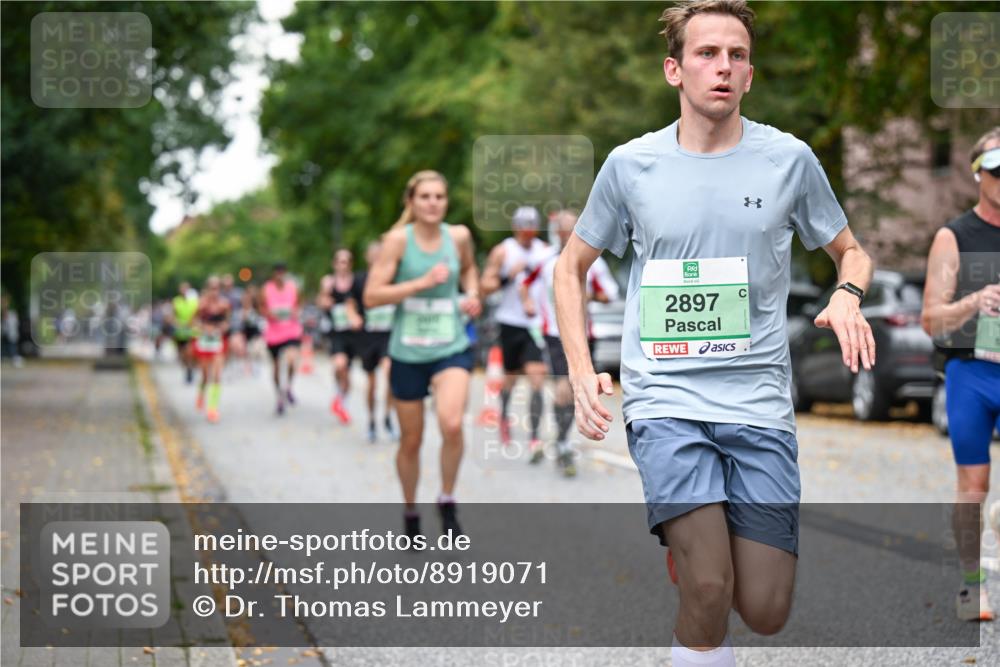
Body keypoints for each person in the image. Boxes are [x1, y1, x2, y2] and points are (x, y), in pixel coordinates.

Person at [554, 2, 876, 663]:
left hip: (758, 403)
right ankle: (697, 566)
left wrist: (848, 294)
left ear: (750, 74)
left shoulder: (788, 160)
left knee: (764, 609)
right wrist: (581, 370)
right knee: (708, 586)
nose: (722, 67)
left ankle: (702, 556)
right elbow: (570, 267)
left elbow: (853, 251)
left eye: (736, 55)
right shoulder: (630, 165)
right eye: (706, 54)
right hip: (666, 401)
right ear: (674, 69)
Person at [363, 170, 481, 540]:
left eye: (439, 197)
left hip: (450, 345)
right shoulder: (397, 241)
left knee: (451, 423)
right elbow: (372, 296)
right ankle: (411, 510)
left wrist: (473, 294)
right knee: (411, 440)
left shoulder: (458, 236)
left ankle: (446, 499)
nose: (433, 203)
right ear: (412, 202)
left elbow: (471, 270)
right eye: (425, 197)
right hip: (408, 352)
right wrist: (420, 283)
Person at [921, 127, 1000, 622]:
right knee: (973, 484)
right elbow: (931, 317)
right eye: (997, 170)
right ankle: (973, 588)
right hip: (972, 371)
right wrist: (974, 301)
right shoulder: (955, 236)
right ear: (978, 175)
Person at [521, 210, 617, 477]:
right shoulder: (544, 259)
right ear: (555, 231)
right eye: (562, 228)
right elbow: (524, 284)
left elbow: (609, 294)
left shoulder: (593, 262)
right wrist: (528, 302)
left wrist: (589, 296)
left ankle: (562, 439)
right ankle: (558, 442)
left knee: (578, 393)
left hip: (585, 335)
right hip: (553, 334)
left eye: (571, 227)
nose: (566, 232)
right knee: (563, 388)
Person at [481, 205, 552, 461]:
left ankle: (535, 436)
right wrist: (506, 277)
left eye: (531, 229)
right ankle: (504, 416)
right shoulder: (503, 251)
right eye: (522, 229)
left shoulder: (544, 252)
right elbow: (485, 285)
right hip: (509, 322)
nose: (527, 234)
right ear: (515, 228)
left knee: (537, 378)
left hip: (534, 325)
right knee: (510, 379)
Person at [355, 240, 399, 443]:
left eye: (381, 254)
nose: (377, 258)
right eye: (374, 255)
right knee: (371, 382)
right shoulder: (360, 280)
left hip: (388, 335)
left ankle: (388, 416)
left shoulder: (394, 278)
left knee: (390, 372)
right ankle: (372, 420)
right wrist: (352, 316)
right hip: (368, 336)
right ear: (367, 257)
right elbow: (349, 303)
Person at [318, 249, 365, 425]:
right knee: (339, 364)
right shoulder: (328, 282)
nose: (342, 264)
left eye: (346, 261)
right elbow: (322, 302)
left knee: (347, 372)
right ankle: (338, 394)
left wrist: (356, 316)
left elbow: (362, 303)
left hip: (353, 333)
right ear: (334, 263)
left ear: (350, 264)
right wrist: (325, 301)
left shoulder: (357, 282)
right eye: (339, 261)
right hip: (337, 332)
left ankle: (341, 400)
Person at [260, 263, 303, 416]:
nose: (280, 275)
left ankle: (289, 387)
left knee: (292, 360)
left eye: (282, 272)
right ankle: (279, 395)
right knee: (277, 366)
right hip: (274, 333)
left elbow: (298, 305)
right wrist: (269, 314)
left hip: (291, 330)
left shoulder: (293, 287)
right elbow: (261, 308)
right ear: (274, 274)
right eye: (277, 272)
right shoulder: (266, 289)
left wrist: (295, 312)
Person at [191, 276, 231, 423]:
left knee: (217, 375)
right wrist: (202, 328)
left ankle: (212, 408)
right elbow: (193, 320)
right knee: (205, 375)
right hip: (204, 342)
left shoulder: (224, 304)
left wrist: (222, 327)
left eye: (217, 288)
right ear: (207, 288)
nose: (214, 291)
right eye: (212, 288)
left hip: (218, 341)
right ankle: (201, 393)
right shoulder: (201, 304)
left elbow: (227, 321)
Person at [170, 282, 199, 384]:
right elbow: (173, 315)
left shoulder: (194, 302)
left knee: (189, 352)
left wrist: (192, 323)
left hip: (191, 330)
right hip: (180, 331)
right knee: (182, 354)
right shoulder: (176, 301)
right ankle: (187, 368)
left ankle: (190, 369)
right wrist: (176, 323)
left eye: (185, 289)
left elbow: (197, 314)